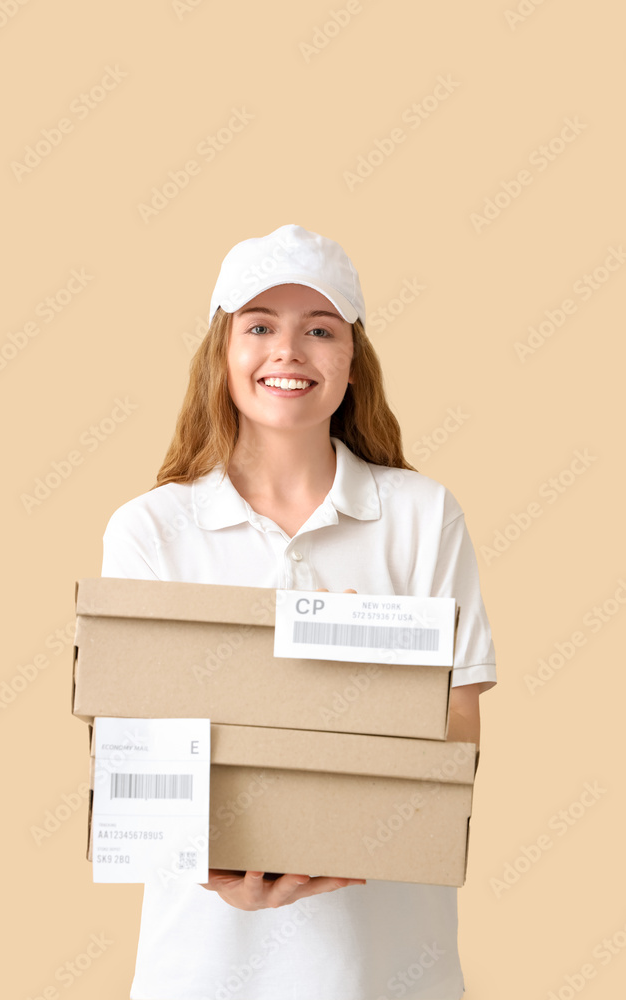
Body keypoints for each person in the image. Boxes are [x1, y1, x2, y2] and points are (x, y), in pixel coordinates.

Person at [100, 223, 497, 1000]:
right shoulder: (150, 529)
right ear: (222, 352)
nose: (288, 351)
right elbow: (135, 743)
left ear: (352, 360)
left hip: (385, 964)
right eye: (259, 327)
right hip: (205, 965)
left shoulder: (421, 515)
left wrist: (351, 836)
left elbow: (457, 724)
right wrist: (219, 870)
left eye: (319, 329)